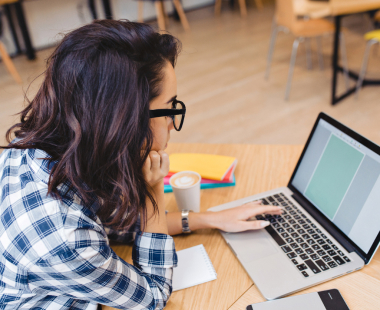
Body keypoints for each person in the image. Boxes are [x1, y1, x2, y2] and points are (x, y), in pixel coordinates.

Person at [0, 20, 282, 310]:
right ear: (123, 119)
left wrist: (208, 218)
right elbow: (153, 295)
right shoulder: (66, 237)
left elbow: (110, 223)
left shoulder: (44, 153)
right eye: (168, 108)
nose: (173, 122)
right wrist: (154, 189)